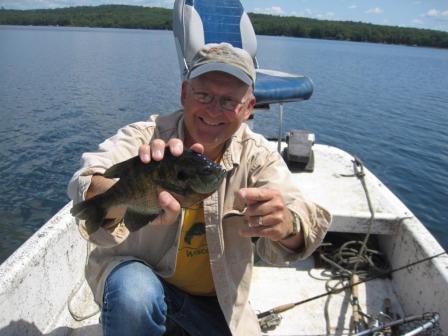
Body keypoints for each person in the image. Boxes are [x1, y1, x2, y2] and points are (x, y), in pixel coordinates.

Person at [68, 42, 331, 336]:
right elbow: (88, 179)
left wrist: (287, 225)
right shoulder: (147, 137)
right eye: (203, 95)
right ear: (184, 94)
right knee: (134, 294)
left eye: (229, 101)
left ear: (248, 108)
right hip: (144, 293)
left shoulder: (257, 157)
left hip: (217, 307)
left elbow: (303, 219)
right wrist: (121, 193)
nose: (213, 110)